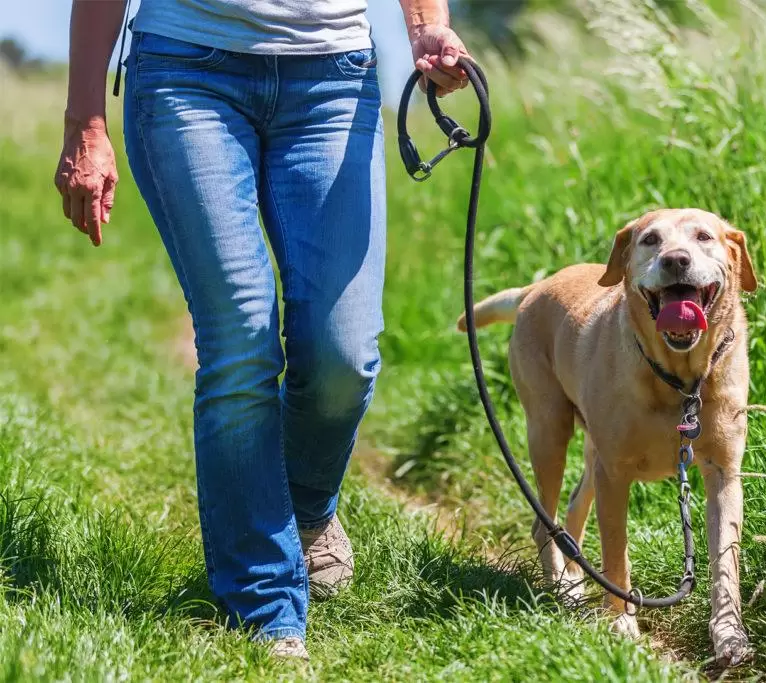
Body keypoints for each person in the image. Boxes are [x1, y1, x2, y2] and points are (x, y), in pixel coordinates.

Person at [54, 0, 471, 660]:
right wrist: (86, 119)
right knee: (241, 337)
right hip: (187, 72)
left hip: (334, 78)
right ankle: (267, 605)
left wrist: (427, 29)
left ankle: (305, 510)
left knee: (345, 353)